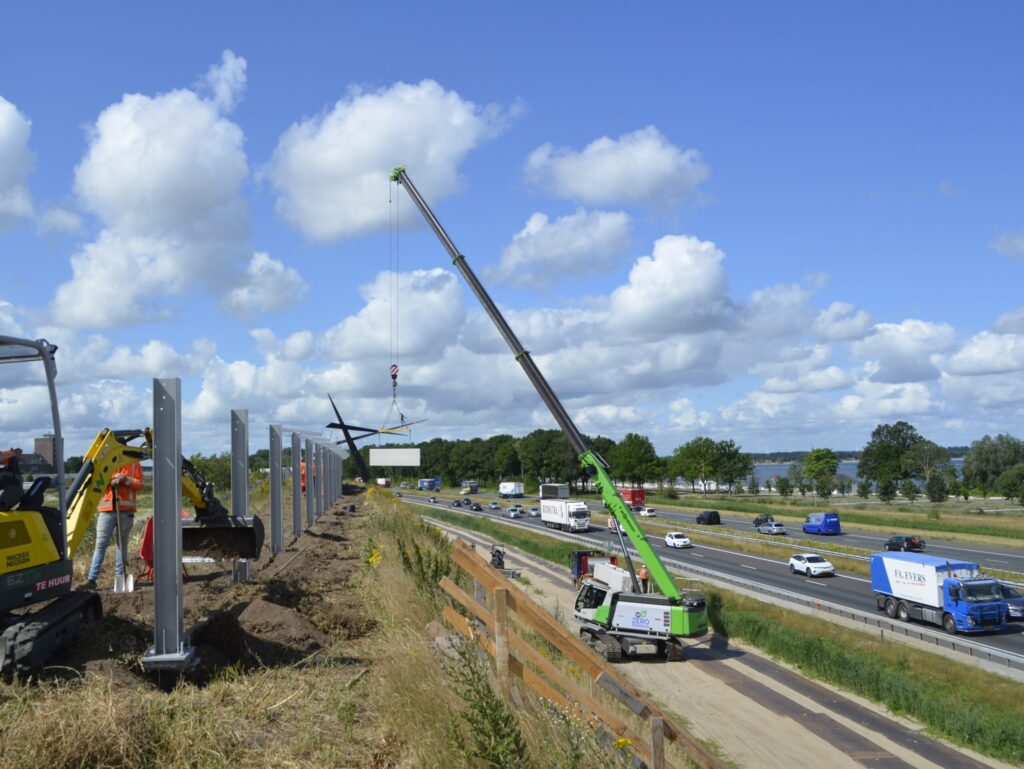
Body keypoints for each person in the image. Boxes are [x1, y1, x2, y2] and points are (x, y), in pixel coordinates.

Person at [85, 462, 144, 589]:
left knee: (121, 545)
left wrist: (125, 479)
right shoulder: (107, 460)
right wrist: (110, 480)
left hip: (126, 510)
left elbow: (140, 484)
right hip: (106, 510)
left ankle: (120, 576)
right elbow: (96, 483)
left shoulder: (134, 463)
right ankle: (91, 580)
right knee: (100, 545)